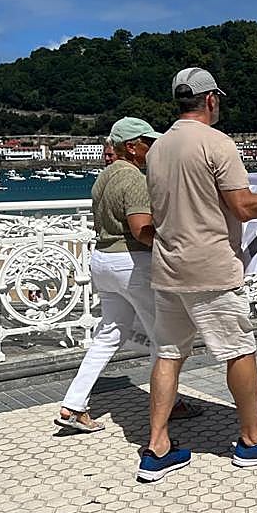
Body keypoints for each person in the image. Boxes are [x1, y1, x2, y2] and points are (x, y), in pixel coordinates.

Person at [139, 68, 257, 482]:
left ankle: (157, 445)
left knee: (168, 354)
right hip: (211, 268)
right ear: (210, 100)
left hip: (168, 266)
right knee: (238, 350)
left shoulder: (157, 148)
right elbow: (244, 207)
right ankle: (253, 440)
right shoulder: (217, 143)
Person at [55, 118, 201, 432]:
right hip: (131, 263)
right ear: (132, 147)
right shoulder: (134, 179)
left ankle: (73, 404)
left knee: (109, 335)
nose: (153, 148)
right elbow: (140, 229)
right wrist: (175, 242)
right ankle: (169, 406)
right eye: (148, 143)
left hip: (103, 260)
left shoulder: (104, 177)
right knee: (165, 338)